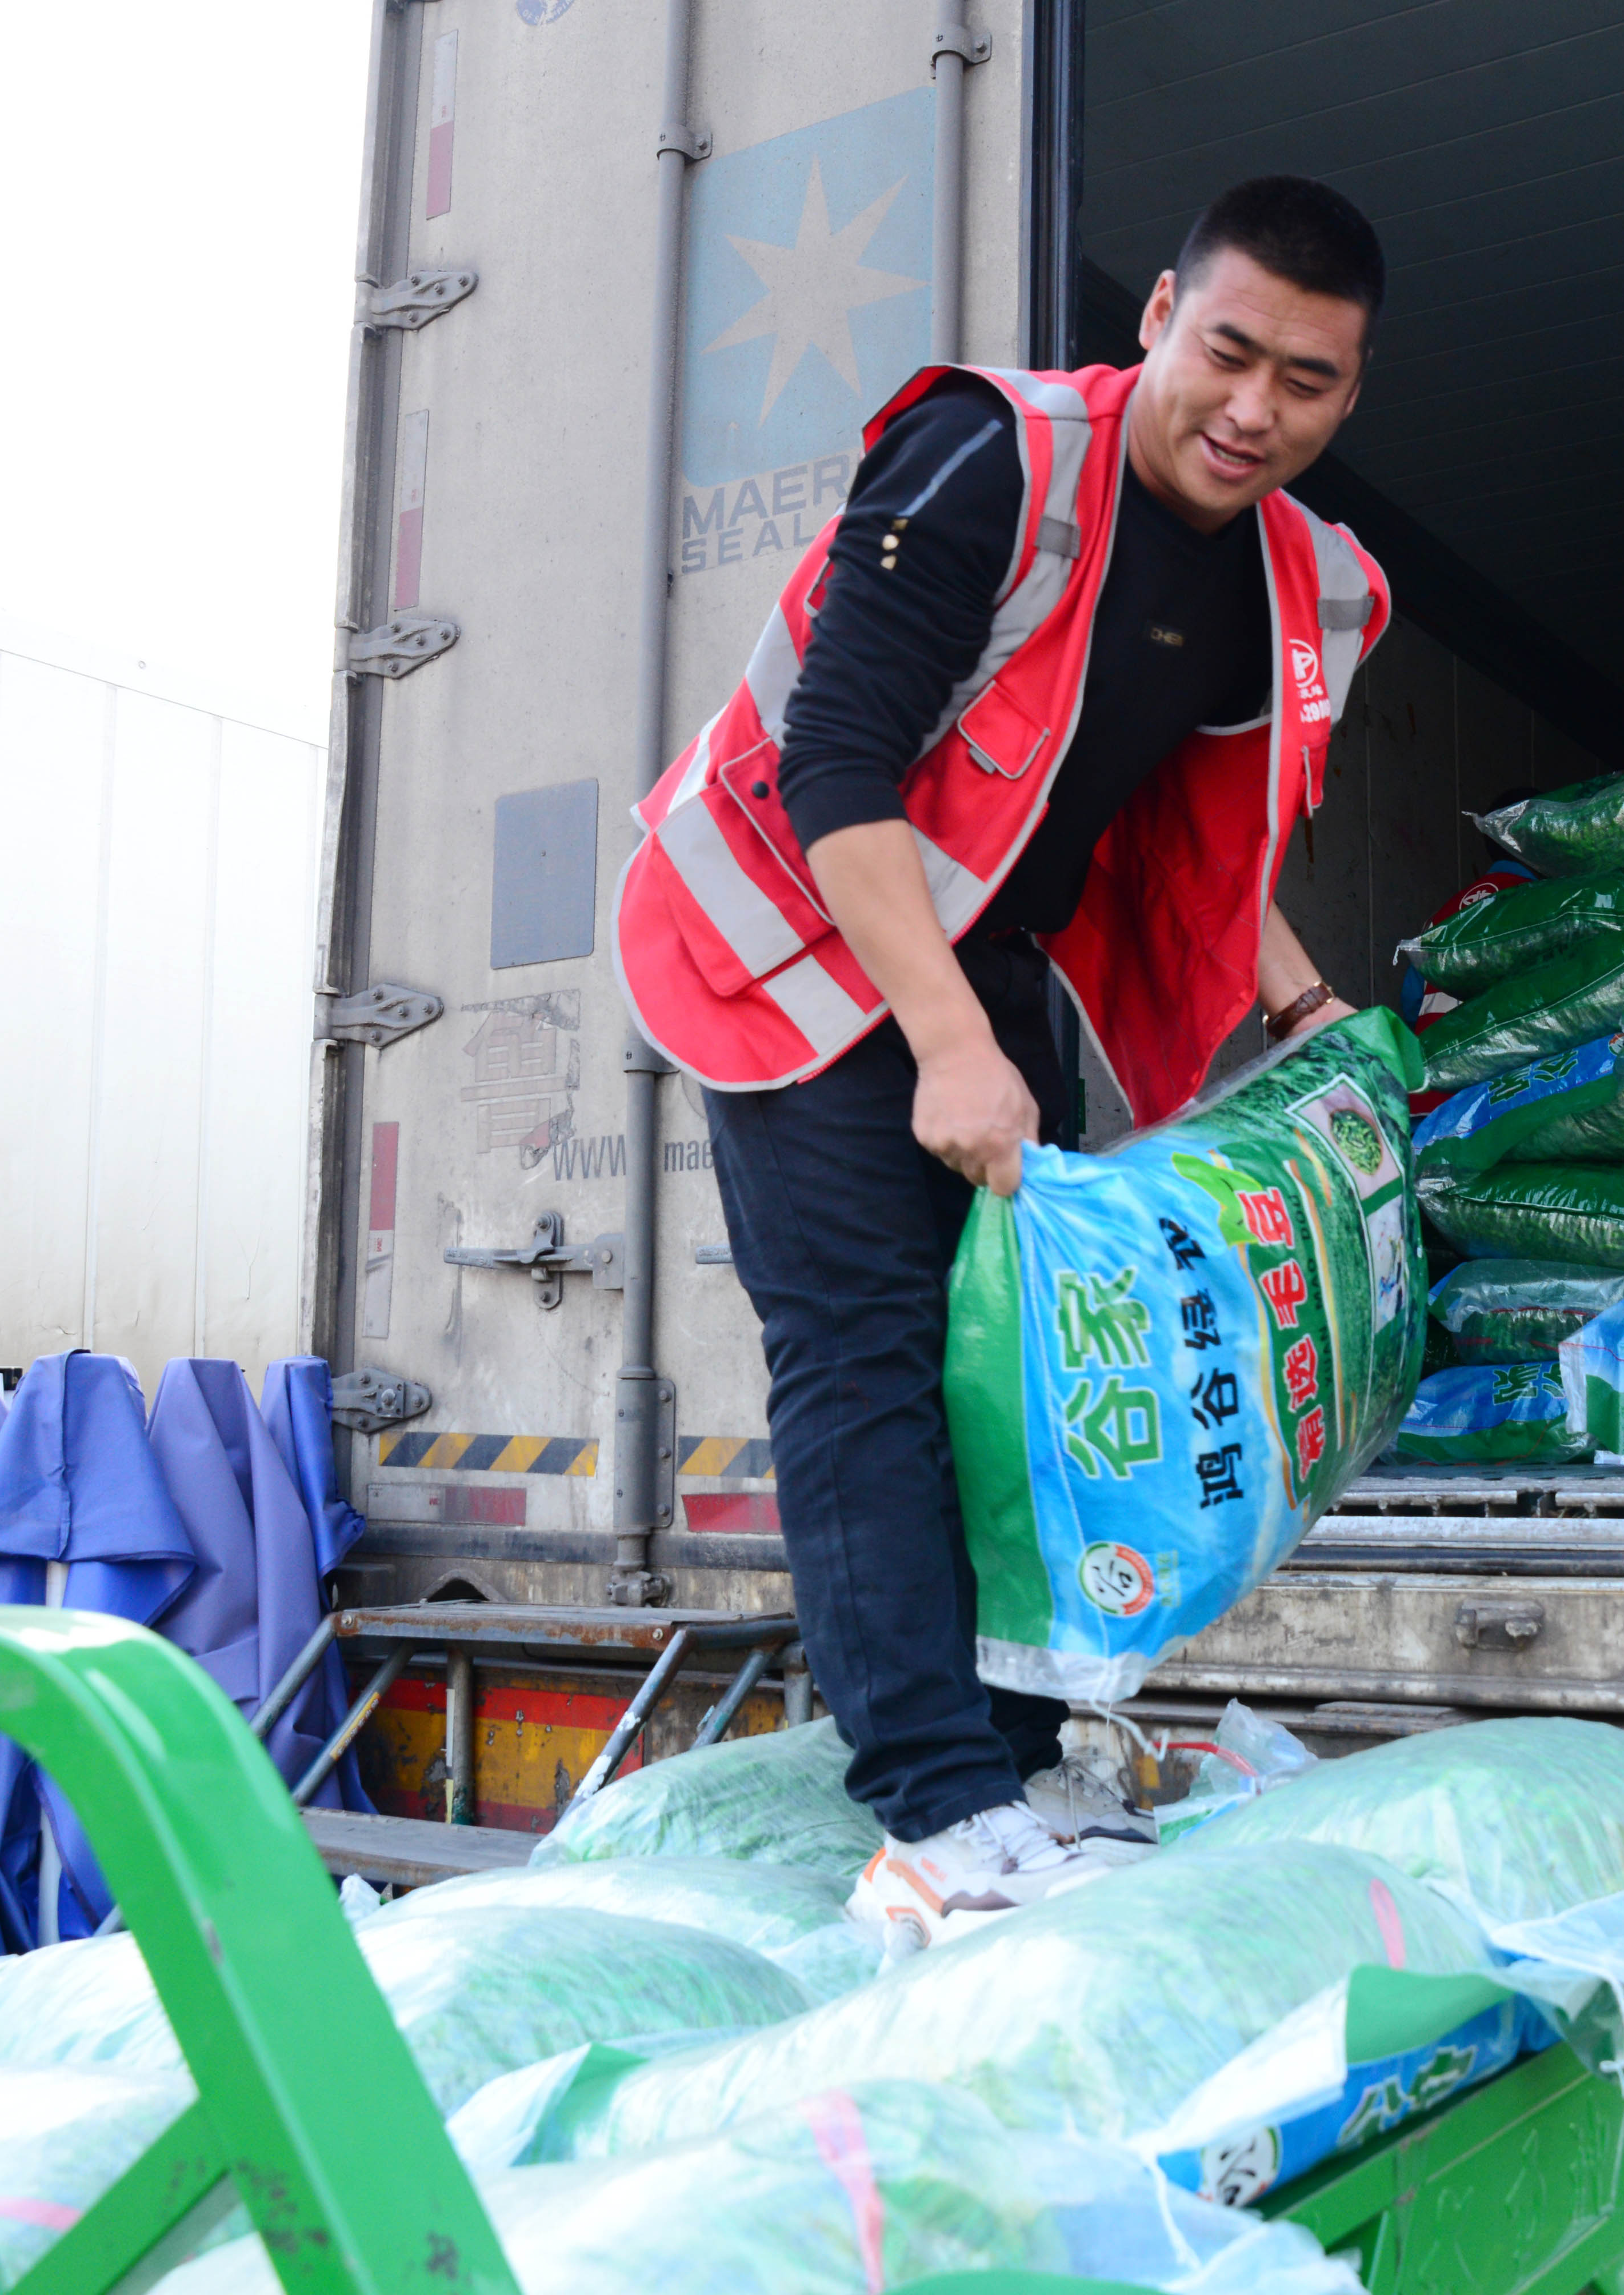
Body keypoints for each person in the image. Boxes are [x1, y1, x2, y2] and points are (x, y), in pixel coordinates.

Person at [611, 177, 1392, 1949]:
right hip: (799, 936)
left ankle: (1024, 1760)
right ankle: (937, 1811)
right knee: (870, 1355)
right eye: (1230, 354)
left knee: (1015, 1371)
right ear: (1162, 324)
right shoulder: (996, 460)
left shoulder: (1291, 581)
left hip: (979, 948)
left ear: (1354, 396)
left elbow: (1189, 833)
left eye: (1309, 382)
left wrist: (1300, 1010)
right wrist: (951, 1050)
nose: (1255, 412)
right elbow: (839, 769)